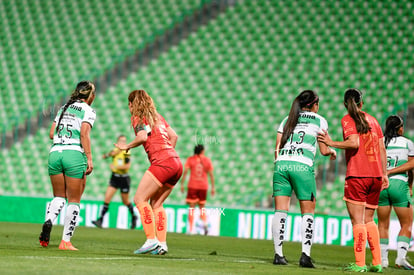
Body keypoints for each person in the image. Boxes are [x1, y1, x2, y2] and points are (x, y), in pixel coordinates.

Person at [318, 88, 388, 272]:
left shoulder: (348, 119)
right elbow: (382, 149)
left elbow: (354, 142)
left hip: (358, 175)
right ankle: (377, 263)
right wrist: (385, 173)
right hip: (376, 176)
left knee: (357, 221)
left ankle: (359, 264)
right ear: (361, 103)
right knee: (369, 220)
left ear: (345, 104)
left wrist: (330, 142)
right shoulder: (373, 120)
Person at [272, 90, 336, 268]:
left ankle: (278, 255)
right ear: (314, 104)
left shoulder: (288, 119)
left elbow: (277, 146)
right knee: (307, 213)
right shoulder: (319, 120)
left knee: (280, 211)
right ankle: (305, 256)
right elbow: (324, 150)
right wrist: (332, 151)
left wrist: (279, 163)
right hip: (302, 166)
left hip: (282, 165)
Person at [114, 89, 182, 255]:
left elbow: (143, 137)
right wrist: (167, 154)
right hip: (176, 163)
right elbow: (174, 137)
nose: (129, 108)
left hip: (163, 163)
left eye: (129, 105)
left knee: (139, 198)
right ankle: (162, 244)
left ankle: (151, 240)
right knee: (157, 204)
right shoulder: (158, 117)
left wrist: (127, 146)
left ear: (132, 104)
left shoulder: (137, 117)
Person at [39, 81, 96, 250]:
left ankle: (49, 220)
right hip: (73, 154)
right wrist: (90, 158)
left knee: (58, 196)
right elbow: (84, 134)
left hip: (55, 153)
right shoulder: (88, 110)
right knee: (74, 200)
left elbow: (51, 134)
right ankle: (65, 241)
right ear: (89, 96)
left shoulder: (63, 108)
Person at [377, 115, 414, 269]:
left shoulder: (379, 142)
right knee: (406, 224)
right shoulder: (407, 143)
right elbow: (412, 164)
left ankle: (383, 260)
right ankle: (400, 258)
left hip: (381, 186)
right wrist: (410, 185)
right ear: (399, 128)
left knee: (382, 225)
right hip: (399, 184)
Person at [92, 135, 137, 229]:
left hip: (124, 178)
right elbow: (106, 156)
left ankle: (134, 217)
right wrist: (110, 154)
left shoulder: (126, 152)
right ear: (117, 142)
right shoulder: (115, 151)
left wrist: (115, 167)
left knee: (125, 201)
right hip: (115, 177)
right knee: (107, 198)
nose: (123, 143)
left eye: (124, 141)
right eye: (121, 141)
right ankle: (100, 220)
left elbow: (127, 166)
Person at [180, 144, 215, 235]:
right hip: (203, 186)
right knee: (202, 207)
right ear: (202, 151)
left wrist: (182, 184)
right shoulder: (207, 160)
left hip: (193, 185)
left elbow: (185, 172)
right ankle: (205, 223)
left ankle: (191, 229)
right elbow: (211, 174)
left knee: (192, 208)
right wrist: (213, 187)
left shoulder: (190, 159)